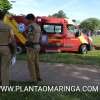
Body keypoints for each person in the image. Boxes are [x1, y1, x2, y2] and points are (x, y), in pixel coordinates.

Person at [0, 10, 16, 85]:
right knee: (5, 68)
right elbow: (13, 40)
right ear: (3, 17)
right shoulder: (8, 27)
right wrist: (14, 52)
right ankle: (5, 86)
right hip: (5, 48)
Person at [25, 14, 41, 81]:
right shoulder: (38, 26)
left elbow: (30, 37)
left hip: (32, 46)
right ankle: (38, 77)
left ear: (30, 19)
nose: (26, 21)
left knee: (31, 63)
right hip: (37, 45)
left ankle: (33, 79)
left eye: (27, 19)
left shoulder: (30, 26)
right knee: (36, 62)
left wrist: (24, 32)